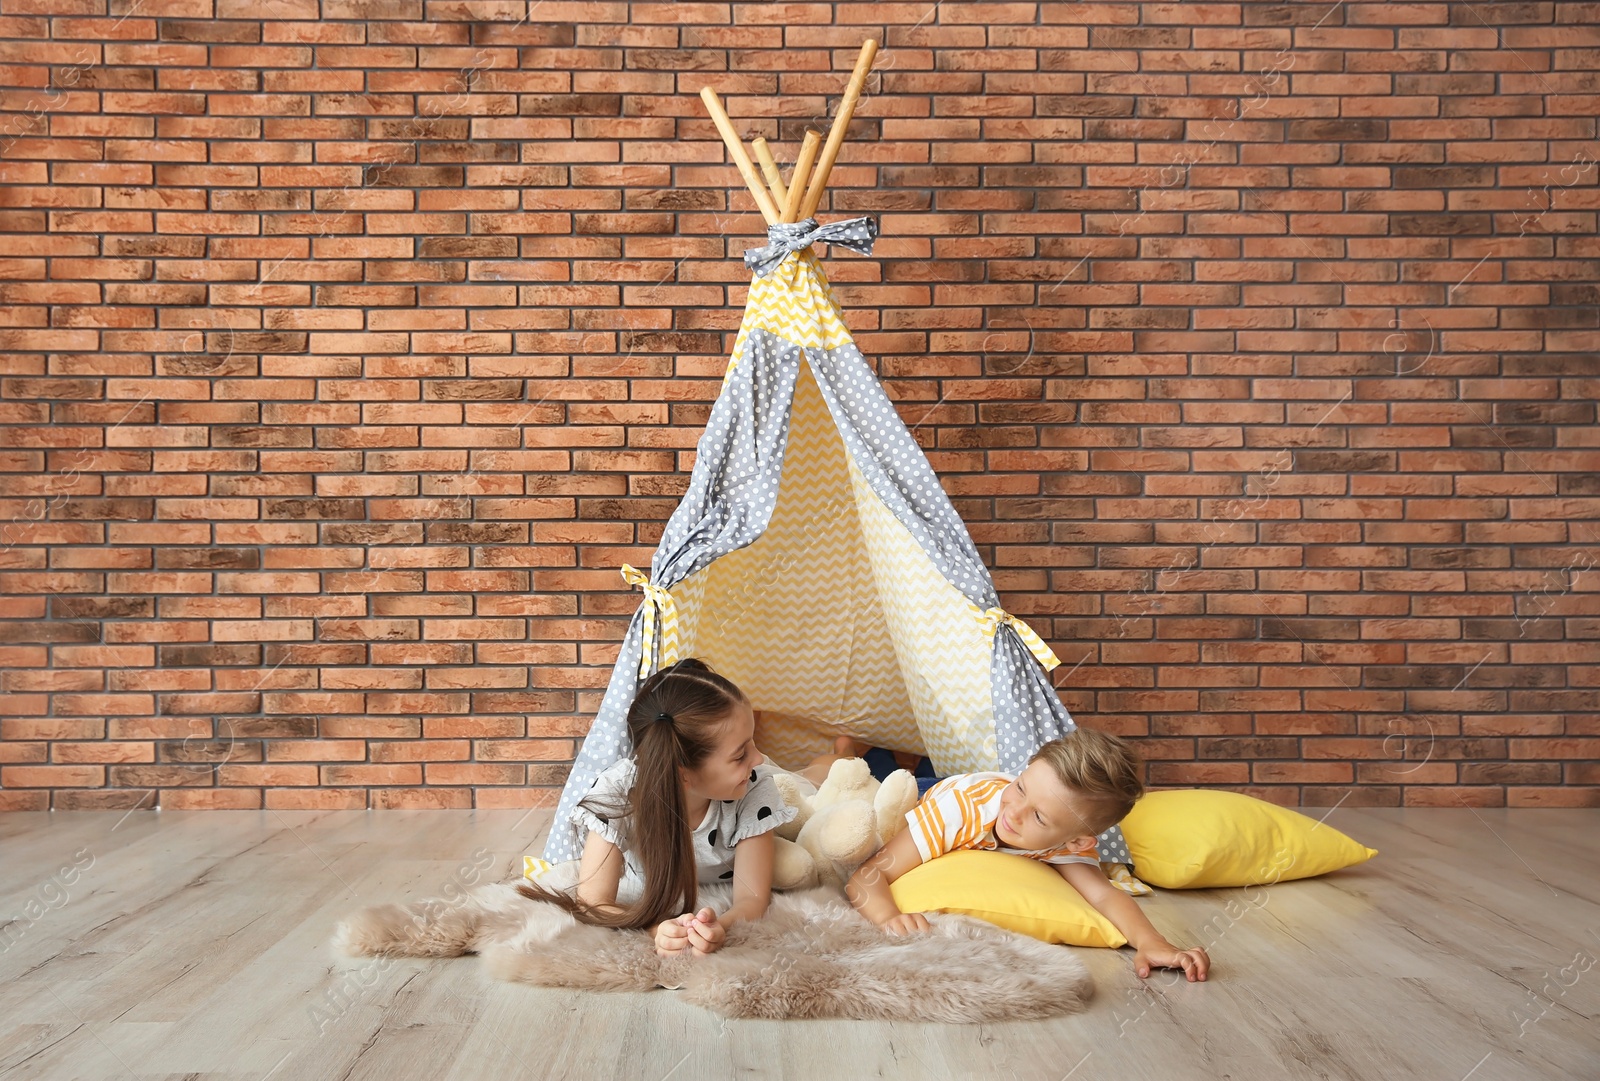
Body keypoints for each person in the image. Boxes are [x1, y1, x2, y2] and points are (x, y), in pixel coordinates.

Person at [844, 726, 1212, 983]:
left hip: (975, 784)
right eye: (1021, 787)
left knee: (913, 765)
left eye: (1038, 815)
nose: (1014, 811)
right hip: (935, 792)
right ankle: (849, 750)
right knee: (858, 779)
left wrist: (1153, 943)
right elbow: (868, 875)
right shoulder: (959, 812)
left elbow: (1103, 894)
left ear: (1077, 843)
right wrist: (888, 917)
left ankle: (905, 758)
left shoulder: (1069, 840)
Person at [518, 657, 796, 959]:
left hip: (777, 791)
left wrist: (719, 928)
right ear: (683, 774)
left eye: (753, 742)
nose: (759, 758)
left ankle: (840, 754)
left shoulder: (754, 785)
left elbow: (752, 899)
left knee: (816, 787)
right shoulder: (617, 794)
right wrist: (657, 928)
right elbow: (593, 902)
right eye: (741, 754)